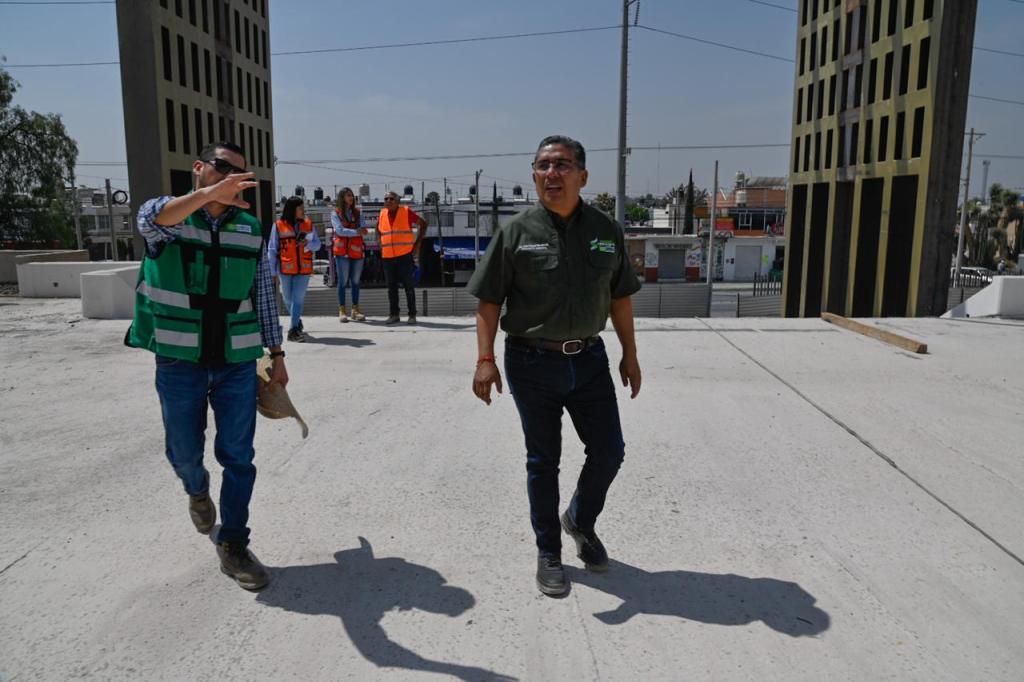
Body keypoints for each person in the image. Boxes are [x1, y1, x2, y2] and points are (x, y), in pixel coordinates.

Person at [468, 135, 642, 597]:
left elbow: (620, 298)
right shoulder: (516, 231)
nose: (551, 174)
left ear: (583, 176)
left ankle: (579, 521)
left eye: (562, 165)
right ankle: (549, 551)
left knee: (610, 450)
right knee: (543, 461)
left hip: (589, 360)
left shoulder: (606, 229)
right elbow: (488, 302)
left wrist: (631, 353)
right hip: (530, 362)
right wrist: (485, 360)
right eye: (543, 165)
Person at [127, 141, 288, 591]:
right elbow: (152, 218)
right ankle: (196, 491)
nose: (233, 178)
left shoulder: (252, 228)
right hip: (181, 360)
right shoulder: (170, 219)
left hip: (237, 361)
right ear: (199, 169)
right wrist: (208, 196)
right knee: (183, 451)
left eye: (241, 173)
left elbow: (261, 294)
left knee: (239, 457)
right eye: (223, 169)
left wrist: (276, 355)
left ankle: (234, 544)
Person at [268, 196, 321, 341]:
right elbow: (272, 249)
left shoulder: (308, 224)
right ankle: (296, 321)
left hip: (303, 269)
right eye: (300, 208)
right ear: (292, 210)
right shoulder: (278, 225)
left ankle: (293, 330)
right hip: (285, 268)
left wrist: (307, 244)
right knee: (287, 298)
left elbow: (317, 244)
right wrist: (272, 271)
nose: (303, 210)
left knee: (298, 299)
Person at [377, 191, 427, 324]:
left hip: (404, 255)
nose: (388, 200)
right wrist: (380, 244)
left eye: (391, 199)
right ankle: (394, 315)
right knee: (391, 287)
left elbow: (423, 224)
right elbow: (378, 230)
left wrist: (417, 245)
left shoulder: (406, 211)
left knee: (408, 286)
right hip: (387, 256)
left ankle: (412, 315)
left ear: (398, 201)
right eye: (386, 198)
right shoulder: (382, 214)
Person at [330, 187, 368, 322]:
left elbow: (363, 228)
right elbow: (339, 231)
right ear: (342, 198)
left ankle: (355, 310)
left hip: (357, 252)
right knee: (343, 282)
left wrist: (358, 231)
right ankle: (342, 311)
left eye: (352, 195)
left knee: (356, 282)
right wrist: (356, 232)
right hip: (342, 254)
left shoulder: (358, 213)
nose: (351, 198)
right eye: (348, 195)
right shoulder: (335, 213)